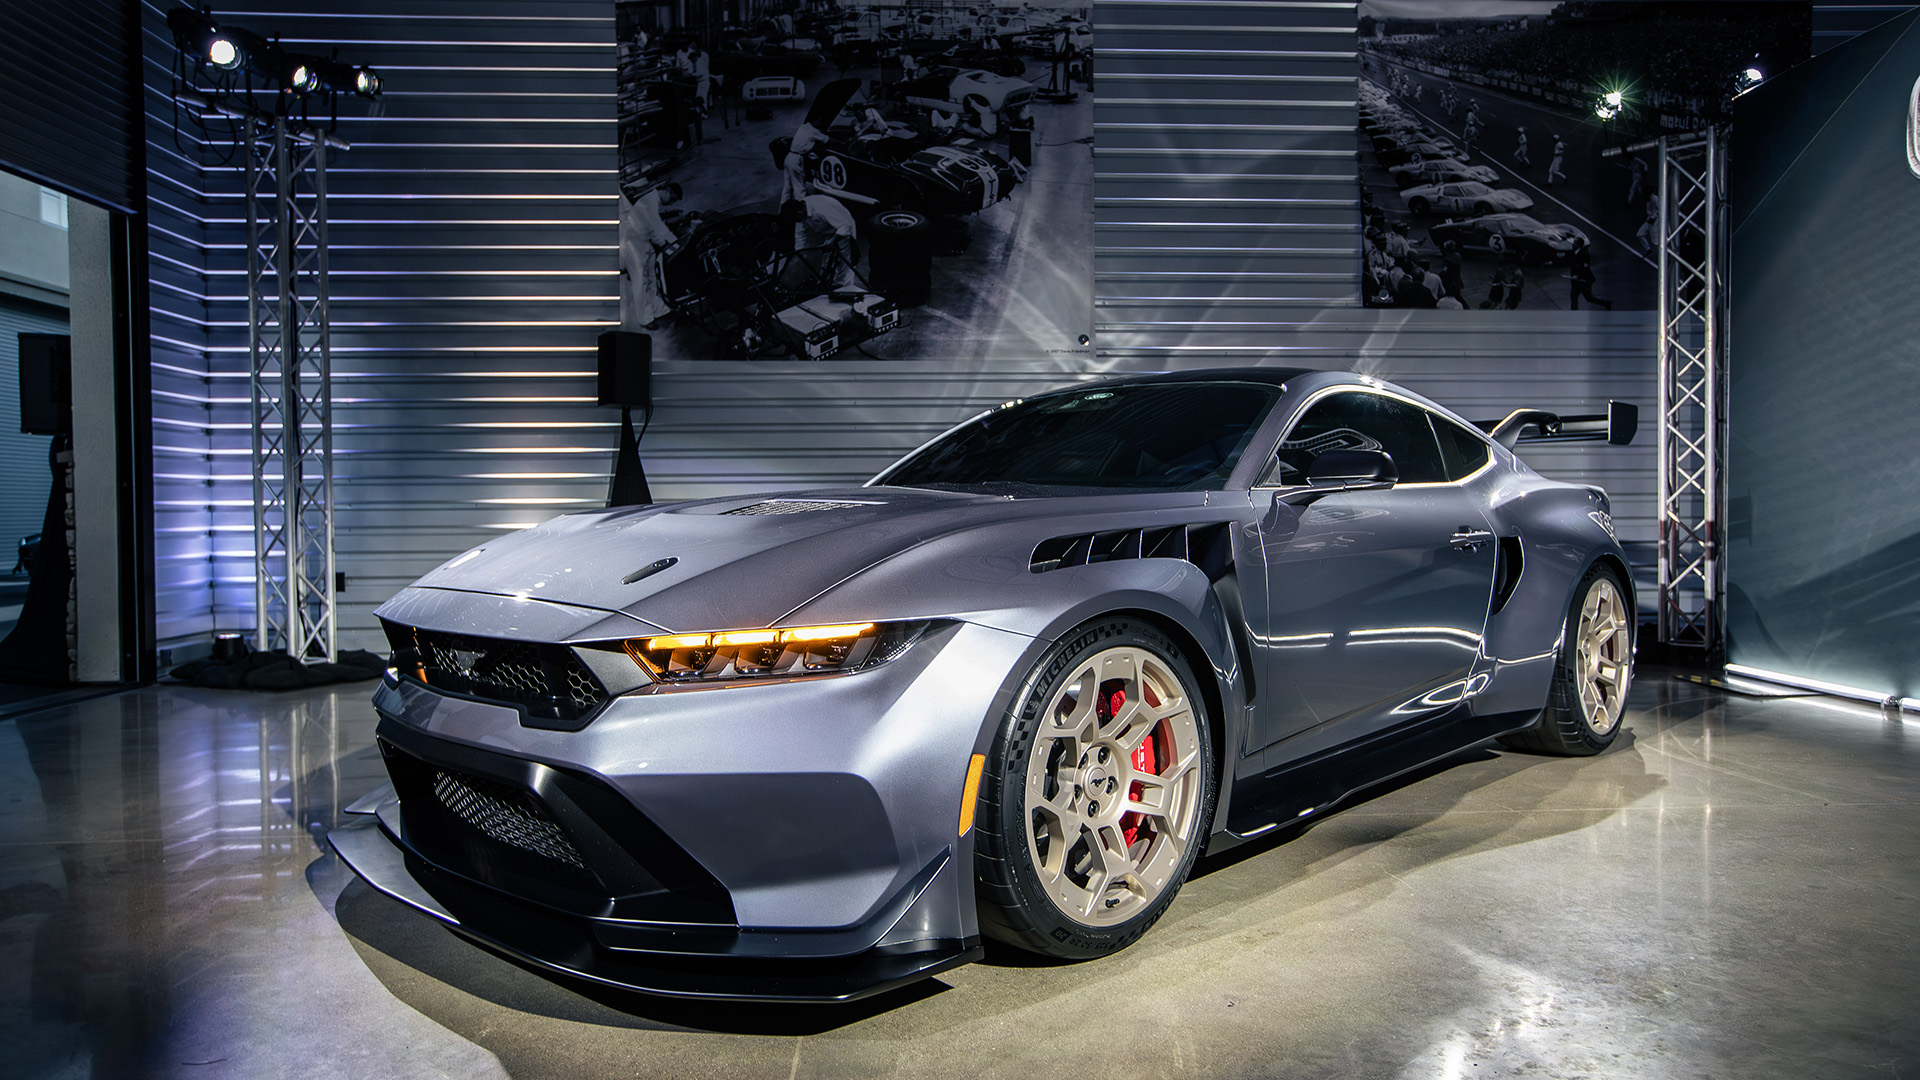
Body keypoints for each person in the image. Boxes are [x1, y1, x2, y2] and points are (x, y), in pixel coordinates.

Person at [619, 182, 681, 330]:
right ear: (665, 190)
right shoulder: (649, 201)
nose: (670, 202)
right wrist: (677, 245)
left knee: (653, 277)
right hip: (633, 243)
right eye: (671, 197)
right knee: (641, 282)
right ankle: (645, 319)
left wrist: (667, 243)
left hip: (643, 240)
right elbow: (658, 227)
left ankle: (659, 310)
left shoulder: (653, 201)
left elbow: (653, 229)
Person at [785, 193, 862, 290]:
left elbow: (845, 226)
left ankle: (844, 288)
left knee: (845, 264)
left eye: (796, 219)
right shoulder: (799, 212)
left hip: (843, 226)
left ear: (799, 213)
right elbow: (800, 240)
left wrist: (833, 240)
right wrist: (797, 260)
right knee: (824, 261)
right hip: (825, 229)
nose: (797, 222)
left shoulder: (821, 209)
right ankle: (826, 284)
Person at [779, 118, 828, 202]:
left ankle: (782, 208)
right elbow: (827, 140)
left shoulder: (803, 127)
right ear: (814, 121)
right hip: (796, 159)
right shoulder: (812, 131)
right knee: (799, 187)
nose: (820, 124)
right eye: (819, 121)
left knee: (787, 187)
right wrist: (842, 143)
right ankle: (801, 206)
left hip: (789, 157)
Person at [1568, 238, 1611, 310]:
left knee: (1589, 297)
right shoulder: (1574, 252)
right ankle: (1574, 312)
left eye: (1575, 243)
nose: (1573, 244)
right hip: (1576, 280)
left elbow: (1584, 267)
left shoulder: (1584, 254)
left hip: (1583, 280)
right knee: (1573, 296)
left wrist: (1577, 275)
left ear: (1579, 245)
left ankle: (1605, 302)